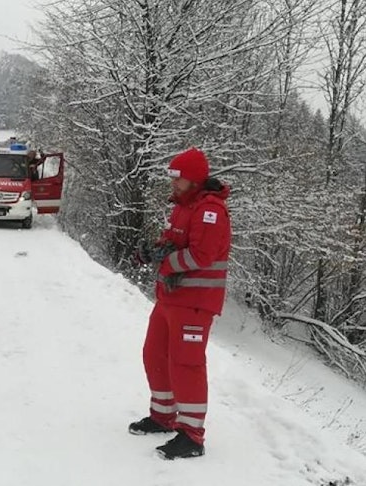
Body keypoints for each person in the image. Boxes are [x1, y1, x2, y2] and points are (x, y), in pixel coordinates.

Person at [130, 147, 232, 460]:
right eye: (173, 178)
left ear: (195, 179)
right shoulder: (182, 206)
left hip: (194, 303)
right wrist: (153, 250)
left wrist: (167, 263)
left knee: (186, 364)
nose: (174, 184)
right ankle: (163, 416)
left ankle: (192, 435)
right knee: (155, 354)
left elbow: (202, 255)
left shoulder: (209, 210)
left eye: (180, 179)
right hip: (170, 299)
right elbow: (173, 241)